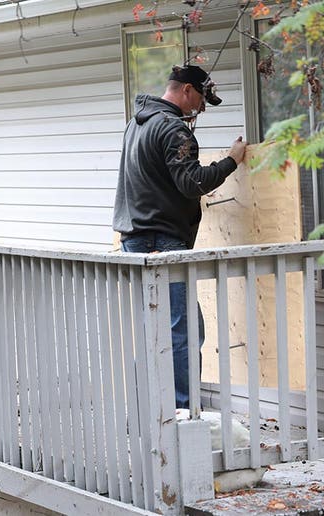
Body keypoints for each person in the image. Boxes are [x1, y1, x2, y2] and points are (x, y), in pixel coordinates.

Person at [113, 64, 247, 410]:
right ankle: (184, 413)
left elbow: (161, 180)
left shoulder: (137, 123)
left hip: (134, 239)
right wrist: (231, 161)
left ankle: (153, 408)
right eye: (202, 98)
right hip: (162, 241)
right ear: (187, 90)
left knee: (152, 329)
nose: (202, 107)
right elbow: (193, 183)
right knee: (183, 331)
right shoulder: (174, 130)